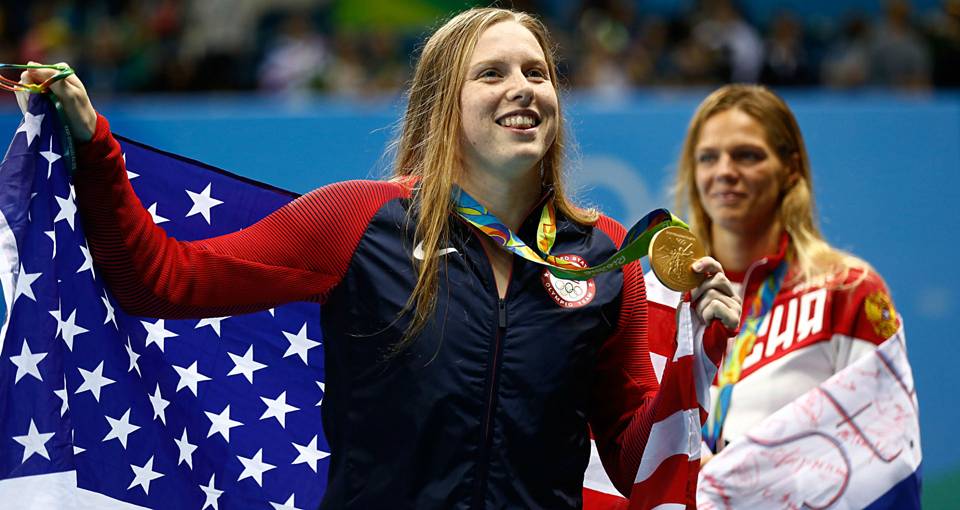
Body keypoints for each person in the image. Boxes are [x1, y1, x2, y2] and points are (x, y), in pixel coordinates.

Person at [23, 8, 741, 509]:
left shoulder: (605, 256)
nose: (523, 88)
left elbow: (633, 460)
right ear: (442, 104)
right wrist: (94, 145)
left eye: (538, 72)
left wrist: (697, 355)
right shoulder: (357, 220)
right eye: (491, 74)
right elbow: (162, 281)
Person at [654, 84, 903, 463]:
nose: (724, 172)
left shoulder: (847, 290)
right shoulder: (661, 298)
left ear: (790, 169)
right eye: (708, 158)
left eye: (747, 155)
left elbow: (884, 451)